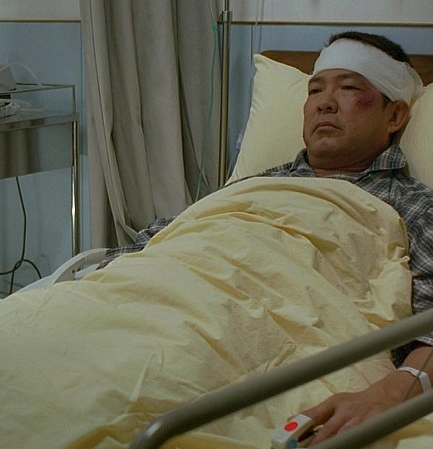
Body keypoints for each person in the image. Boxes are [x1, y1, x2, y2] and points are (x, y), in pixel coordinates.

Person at [102, 31, 433, 444]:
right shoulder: (251, 186)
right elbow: (157, 242)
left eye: (349, 88)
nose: (324, 103)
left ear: (395, 116)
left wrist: (388, 394)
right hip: (158, 308)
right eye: (315, 90)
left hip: (260, 350)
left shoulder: (412, 206)